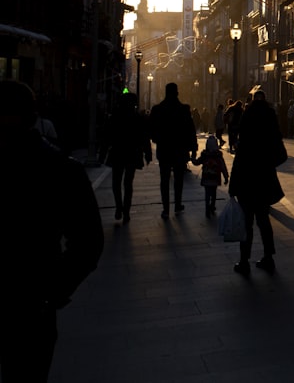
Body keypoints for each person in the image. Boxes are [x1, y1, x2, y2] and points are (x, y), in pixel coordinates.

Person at [0, 80, 103, 380]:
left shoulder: (57, 169)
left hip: (30, 301)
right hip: (33, 302)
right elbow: (89, 242)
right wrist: (52, 291)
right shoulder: (61, 167)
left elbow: (88, 242)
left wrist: (50, 291)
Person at [228, 90, 286, 275]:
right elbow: (281, 155)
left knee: (247, 222)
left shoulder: (248, 125)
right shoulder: (270, 125)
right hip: (264, 178)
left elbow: (240, 157)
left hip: (246, 179)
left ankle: (244, 260)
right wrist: (268, 164)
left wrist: (233, 184)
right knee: (263, 220)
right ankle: (269, 256)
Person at [148, 82, 199, 219]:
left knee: (164, 179)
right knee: (178, 179)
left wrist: (157, 139)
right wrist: (193, 150)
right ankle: (177, 204)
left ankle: (166, 208)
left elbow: (151, 129)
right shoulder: (183, 109)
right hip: (179, 150)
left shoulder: (157, 109)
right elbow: (190, 130)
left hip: (164, 149)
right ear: (177, 93)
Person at [104, 92, 152, 222]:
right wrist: (147, 153)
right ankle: (126, 210)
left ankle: (119, 207)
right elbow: (144, 136)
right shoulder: (137, 118)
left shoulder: (115, 116)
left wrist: (103, 152)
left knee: (116, 182)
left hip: (118, 152)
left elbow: (107, 135)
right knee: (128, 183)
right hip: (132, 153)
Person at [193, 135, 229, 217]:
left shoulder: (204, 155)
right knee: (213, 193)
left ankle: (207, 208)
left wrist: (192, 159)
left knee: (207, 194)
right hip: (215, 178)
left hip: (206, 177)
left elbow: (197, 162)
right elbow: (223, 167)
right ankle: (212, 206)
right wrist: (226, 177)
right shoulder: (218, 156)